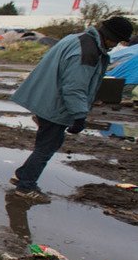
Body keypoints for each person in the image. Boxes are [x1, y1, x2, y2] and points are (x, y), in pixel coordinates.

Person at [9, 16, 132, 203]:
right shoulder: (88, 51)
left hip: (45, 98)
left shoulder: (77, 38)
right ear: (110, 37)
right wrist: (79, 115)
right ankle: (26, 186)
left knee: (45, 145)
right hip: (55, 104)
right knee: (46, 147)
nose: (114, 46)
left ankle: (23, 174)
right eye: (116, 41)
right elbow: (74, 87)